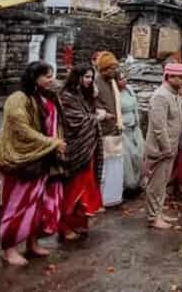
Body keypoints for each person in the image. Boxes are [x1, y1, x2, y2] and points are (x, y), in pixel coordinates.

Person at [0, 61, 67, 266]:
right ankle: (9, 249)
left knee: (38, 204)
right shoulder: (18, 98)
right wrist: (51, 143)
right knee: (18, 206)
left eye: (52, 74)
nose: (51, 79)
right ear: (34, 77)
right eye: (46, 75)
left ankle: (32, 243)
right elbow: (21, 129)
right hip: (21, 161)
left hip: (43, 159)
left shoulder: (48, 96)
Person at [59, 64, 108, 240]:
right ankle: (65, 226)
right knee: (73, 189)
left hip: (89, 149)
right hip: (76, 149)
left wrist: (95, 105)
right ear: (77, 77)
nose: (89, 81)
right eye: (86, 77)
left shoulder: (85, 95)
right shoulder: (67, 96)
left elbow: (88, 113)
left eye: (91, 77)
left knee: (87, 187)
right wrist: (97, 117)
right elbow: (75, 121)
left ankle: (80, 223)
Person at [144, 63, 182, 229]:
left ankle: (158, 212)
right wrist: (167, 148)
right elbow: (158, 126)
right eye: (180, 77)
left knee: (162, 184)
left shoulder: (175, 94)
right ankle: (153, 217)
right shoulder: (161, 96)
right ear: (170, 77)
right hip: (161, 150)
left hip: (171, 147)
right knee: (155, 185)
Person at [93, 51, 123, 207]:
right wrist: (104, 114)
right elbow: (92, 106)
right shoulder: (96, 83)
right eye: (111, 68)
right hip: (103, 130)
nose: (114, 71)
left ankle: (111, 197)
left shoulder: (111, 82)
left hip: (114, 129)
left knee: (114, 163)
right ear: (103, 69)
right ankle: (100, 199)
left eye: (115, 68)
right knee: (103, 166)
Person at [117, 70, 144, 195]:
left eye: (124, 78)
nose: (124, 81)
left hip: (134, 127)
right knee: (128, 158)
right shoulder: (115, 93)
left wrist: (137, 122)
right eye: (120, 79)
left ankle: (137, 182)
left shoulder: (129, 90)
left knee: (139, 155)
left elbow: (135, 107)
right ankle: (128, 185)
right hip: (123, 130)